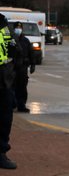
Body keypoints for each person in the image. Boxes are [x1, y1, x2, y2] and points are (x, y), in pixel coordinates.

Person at [0, 13, 17, 169]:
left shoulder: (3, 24)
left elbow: (13, 48)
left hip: (4, 80)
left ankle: (1, 154)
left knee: (5, 119)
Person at [11, 22, 35, 113]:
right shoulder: (11, 40)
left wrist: (33, 64)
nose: (18, 29)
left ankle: (21, 105)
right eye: (16, 27)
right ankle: (12, 104)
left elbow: (31, 53)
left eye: (19, 28)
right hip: (12, 67)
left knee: (22, 87)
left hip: (23, 67)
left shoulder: (26, 41)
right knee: (12, 87)